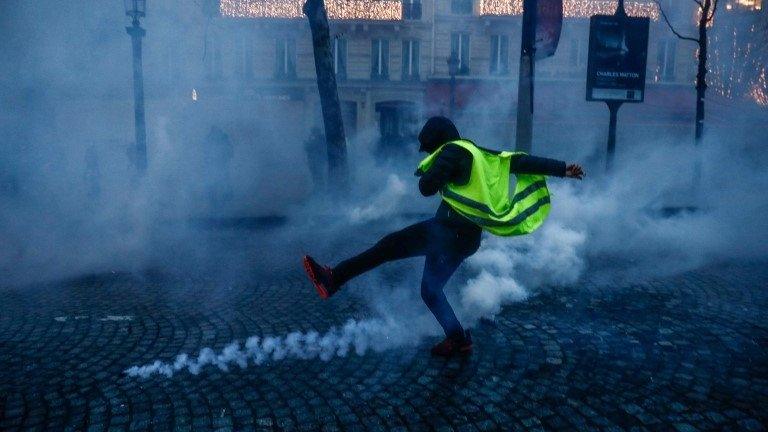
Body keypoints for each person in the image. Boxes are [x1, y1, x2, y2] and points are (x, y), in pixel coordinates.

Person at [303, 117, 585, 357]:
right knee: (430, 290)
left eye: (428, 148)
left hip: (448, 232)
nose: (426, 153)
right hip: (466, 238)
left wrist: (432, 174)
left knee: (387, 247)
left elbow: (426, 188)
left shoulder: (451, 152)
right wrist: (562, 168)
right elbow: (520, 162)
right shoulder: (477, 152)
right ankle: (459, 340)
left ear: (438, 142)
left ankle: (332, 279)